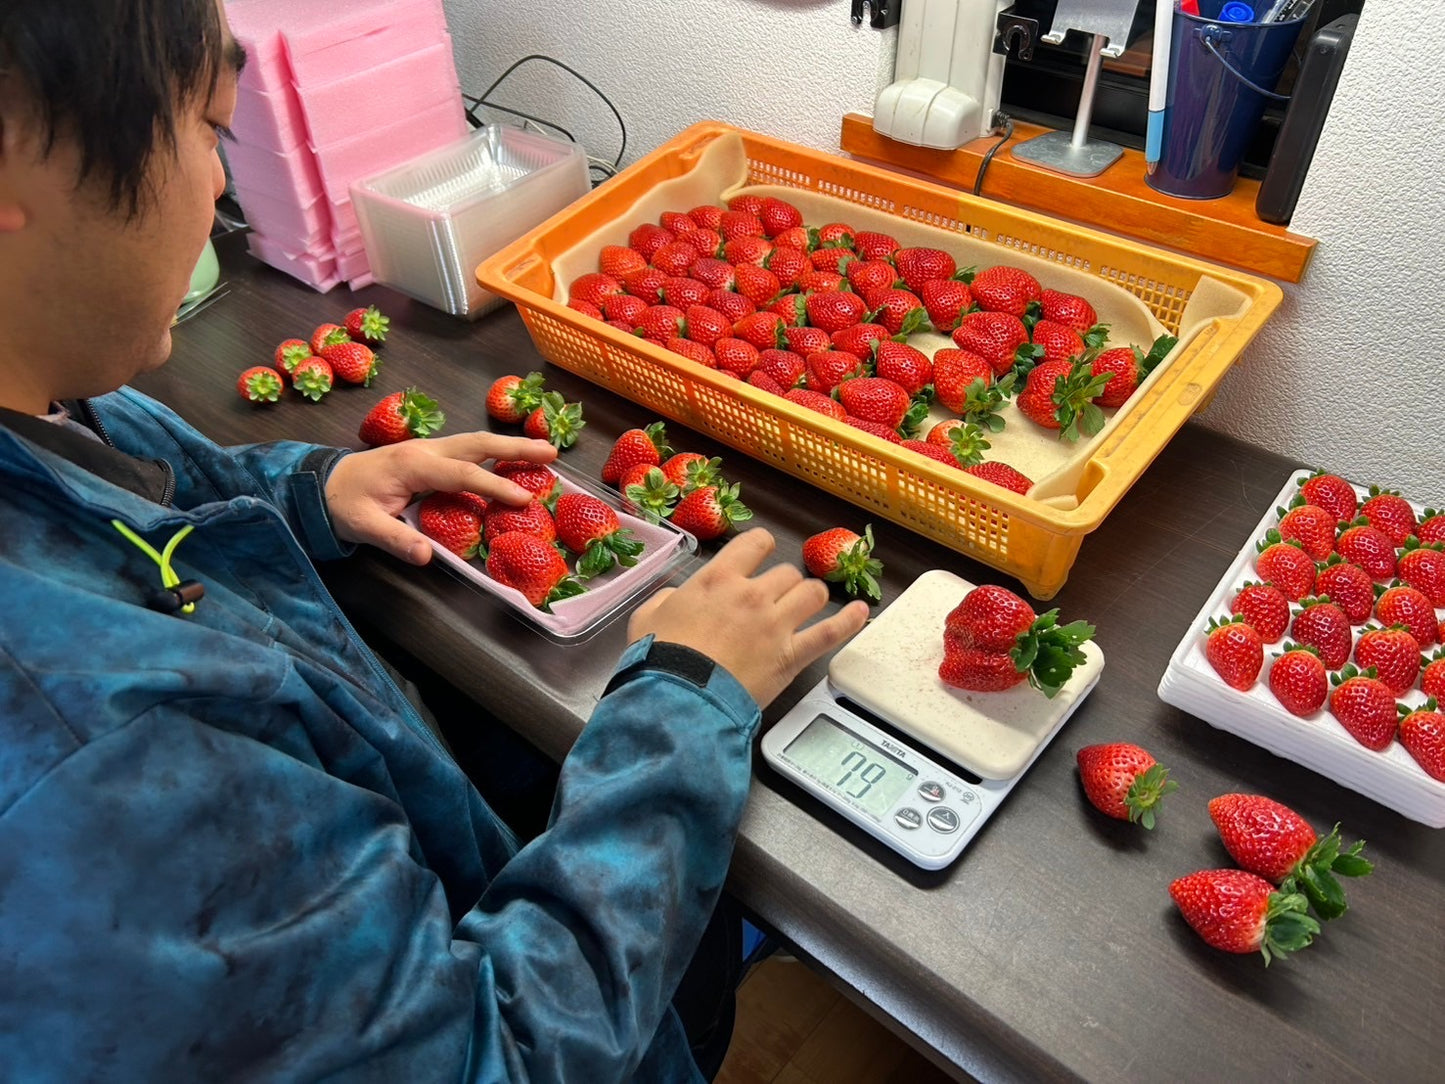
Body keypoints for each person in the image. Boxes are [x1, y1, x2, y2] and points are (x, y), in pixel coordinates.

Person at [0, 1, 869, 1079]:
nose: (221, 188)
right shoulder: (94, 769)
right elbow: (490, 1055)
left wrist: (312, 487)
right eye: (209, 131)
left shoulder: (47, 391)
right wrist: (681, 705)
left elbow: (146, 499)